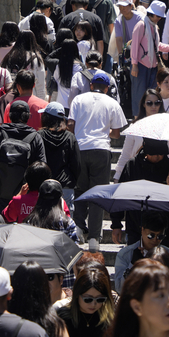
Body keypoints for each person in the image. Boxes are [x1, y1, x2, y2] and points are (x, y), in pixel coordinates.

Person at [69, 71, 127, 251]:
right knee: (98, 194)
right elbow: (117, 133)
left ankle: (78, 228)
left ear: (92, 85)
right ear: (108, 89)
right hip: (101, 150)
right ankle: (94, 238)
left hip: (80, 148)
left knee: (79, 191)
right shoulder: (112, 103)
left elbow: (70, 126)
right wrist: (103, 132)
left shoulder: (78, 100)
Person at [111, 139, 169, 248]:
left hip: (162, 229)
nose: (156, 157)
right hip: (136, 226)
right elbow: (120, 195)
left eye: (160, 154)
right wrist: (116, 224)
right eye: (153, 154)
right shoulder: (133, 165)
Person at [0, 99, 46, 213]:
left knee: (2, 224)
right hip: (26, 193)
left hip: (1, 191)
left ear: (10, 115)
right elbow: (41, 166)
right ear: (28, 116)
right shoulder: (35, 136)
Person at [113, 87, 169, 182]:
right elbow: (126, 153)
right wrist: (118, 175)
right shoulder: (135, 126)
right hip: (139, 171)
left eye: (157, 102)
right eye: (149, 103)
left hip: (162, 172)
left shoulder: (167, 126)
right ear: (144, 105)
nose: (153, 106)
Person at [114, 211, 169, 293]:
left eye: (160, 236)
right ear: (142, 230)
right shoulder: (125, 254)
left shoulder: (168, 254)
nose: (155, 240)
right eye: (151, 235)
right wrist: (133, 266)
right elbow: (119, 288)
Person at [38, 102, 82, 212]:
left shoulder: (39, 136)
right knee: (65, 225)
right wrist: (71, 182)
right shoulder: (70, 137)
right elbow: (76, 164)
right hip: (65, 187)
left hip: (44, 186)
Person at [130, 1, 166, 114]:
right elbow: (134, 45)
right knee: (139, 94)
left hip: (152, 66)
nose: (159, 18)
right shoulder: (141, 25)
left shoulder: (154, 26)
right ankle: (137, 117)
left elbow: (157, 45)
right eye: (158, 16)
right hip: (141, 65)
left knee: (151, 94)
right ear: (152, 14)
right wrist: (134, 64)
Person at [2, 30, 47, 100]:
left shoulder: (9, 56)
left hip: (11, 98)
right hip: (29, 99)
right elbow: (40, 84)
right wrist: (41, 101)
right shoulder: (36, 59)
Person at [52, 40, 84, 111]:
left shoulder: (58, 67)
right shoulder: (80, 68)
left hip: (60, 105)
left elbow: (55, 79)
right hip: (75, 105)